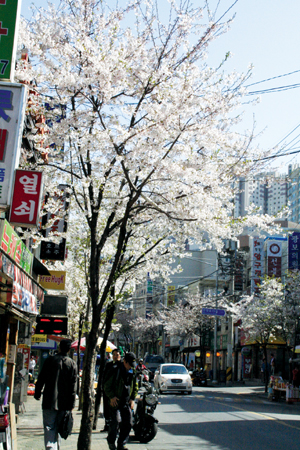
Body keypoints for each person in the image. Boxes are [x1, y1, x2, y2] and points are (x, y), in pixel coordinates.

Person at [34, 339, 77, 450]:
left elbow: (41, 378)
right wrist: (72, 404)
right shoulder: (72, 364)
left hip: (49, 400)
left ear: (59, 348)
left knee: (49, 427)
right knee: (60, 427)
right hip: (64, 403)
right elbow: (73, 388)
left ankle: (51, 447)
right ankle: (55, 447)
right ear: (69, 349)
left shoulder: (50, 360)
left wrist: (37, 393)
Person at [104, 351, 138, 450]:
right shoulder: (115, 370)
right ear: (124, 361)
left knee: (128, 423)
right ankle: (111, 441)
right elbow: (106, 386)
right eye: (129, 364)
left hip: (126, 402)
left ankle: (121, 444)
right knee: (116, 421)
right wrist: (111, 397)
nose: (130, 367)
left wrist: (132, 399)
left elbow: (135, 386)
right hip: (115, 401)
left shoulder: (132, 371)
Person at [101, 348, 122, 433]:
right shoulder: (108, 365)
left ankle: (115, 427)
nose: (115, 356)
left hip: (116, 392)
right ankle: (107, 425)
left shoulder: (122, 366)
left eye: (117, 355)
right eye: (114, 355)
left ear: (120, 356)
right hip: (107, 390)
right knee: (106, 408)